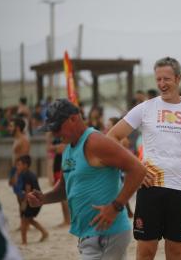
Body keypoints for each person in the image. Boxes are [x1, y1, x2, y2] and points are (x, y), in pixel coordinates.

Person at [108, 57, 181, 260]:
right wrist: (136, 167)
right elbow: (112, 136)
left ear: (178, 78)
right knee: (146, 251)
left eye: (167, 79)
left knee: (175, 253)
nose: (162, 84)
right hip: (151, 187)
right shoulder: (145, 108)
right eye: (158, 79)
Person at [27, 99, 146, 259]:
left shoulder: (95, 142)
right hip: (88, 235)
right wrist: (44, 198)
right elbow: (64, 189)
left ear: (74, 119)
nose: (54, 134)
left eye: (56, 128)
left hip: (108, 234)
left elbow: (138, 170)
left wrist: (116, 206)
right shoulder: (68, 149)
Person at [15, 155, 48, 244]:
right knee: (29, 219)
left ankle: (24, 242)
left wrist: (24, 204)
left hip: (32, 201)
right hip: (35, 200)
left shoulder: (27, 175)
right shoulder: (25, 174)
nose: (17, 166)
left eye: (19, 164)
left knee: (24, 220)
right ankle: (44, 232)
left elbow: (28, 190)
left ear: (25, 165)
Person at [7, 118, 30, 230]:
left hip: (20, 171)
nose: (9, 128)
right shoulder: (16, 139)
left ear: (17, 127)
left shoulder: (23, 140)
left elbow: (25, 159)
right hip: (15, 170)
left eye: (11, 126)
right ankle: (23, 223)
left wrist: (17, 174)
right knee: (18, 199)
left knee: (23, 198)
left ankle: (26, 223)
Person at [49, 136, 71, 226]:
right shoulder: (58, 137)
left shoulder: (68, 139)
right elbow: (50, 148)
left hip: (63, 167)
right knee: (62, 195)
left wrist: (56, 147)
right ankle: (66, 219)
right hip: (58, 166)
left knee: (63, 195)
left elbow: (60, 149)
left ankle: (67, 220)